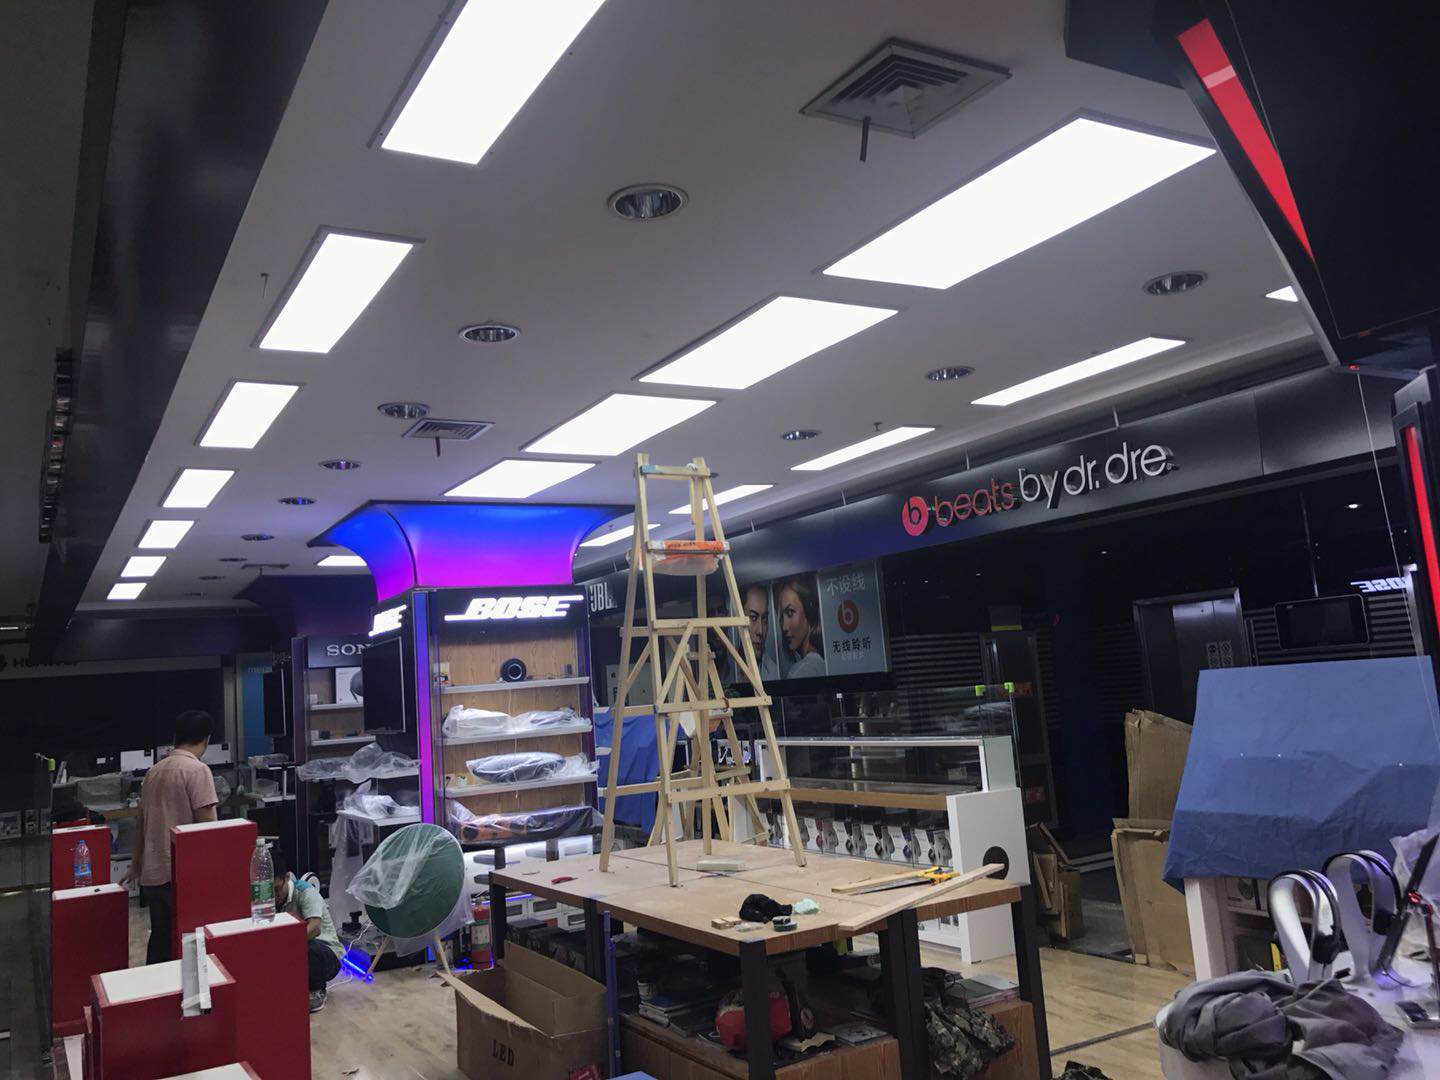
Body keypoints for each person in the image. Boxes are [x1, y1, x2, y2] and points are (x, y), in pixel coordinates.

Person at [124, 709, 219, 964]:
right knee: (188, 945)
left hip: (153, 874)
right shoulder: (197, 771)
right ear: (206, 739)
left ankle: (154, 987)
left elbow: (141, 823)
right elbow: (208, 830)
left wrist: (136, 864)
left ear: (176, 737)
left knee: (161, 939)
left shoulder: (153, 772)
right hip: (182, 875)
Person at [272, 850, 344, 1012]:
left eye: (276, 889)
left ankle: (316, 991)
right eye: (269, 891)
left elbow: (315, 928)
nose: (274, 896)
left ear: (287, 878)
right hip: (296, 955)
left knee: (306, 945)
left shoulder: (305, 891)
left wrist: (285, 944)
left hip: (326, 955)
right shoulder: (267, 900)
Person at [777, 575, 826, 678]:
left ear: (809, 611)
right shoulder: (820, 663)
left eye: (790, 613)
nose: (784, 627)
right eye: (781, 617)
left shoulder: (801, 671)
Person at [742, 583, 780, 682]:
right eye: (753, 617)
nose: (760, 631)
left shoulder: (773, 673)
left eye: (764, 619)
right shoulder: (725, 669)